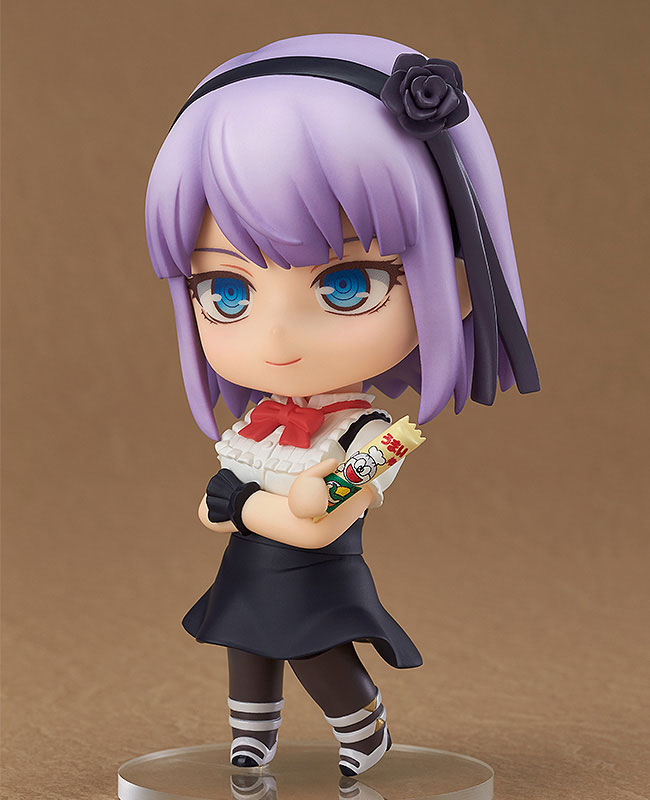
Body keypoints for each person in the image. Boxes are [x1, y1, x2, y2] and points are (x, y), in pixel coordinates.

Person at [144, 32, 539, 777]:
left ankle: (364, 729)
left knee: (316, 650)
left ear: (453, 275)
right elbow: (217, 509)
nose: (278, 338)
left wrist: (240, 505)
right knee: (244, 645)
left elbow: (318, 515)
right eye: (225, 291)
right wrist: (237, 507)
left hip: (317, 576)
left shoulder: (379, 436)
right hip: (250, 565)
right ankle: (251, 736)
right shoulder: (257, 424)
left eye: (347, 285)